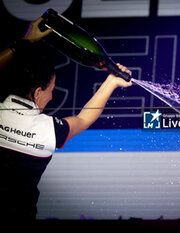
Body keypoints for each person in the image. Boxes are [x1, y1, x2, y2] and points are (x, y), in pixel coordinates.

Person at [0, 17, 132, 220]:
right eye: (50, 90)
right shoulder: (47, 131)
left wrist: (25, 41)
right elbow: (84, 118)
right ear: (37, 93)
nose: (52, 96)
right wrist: (111, 83)